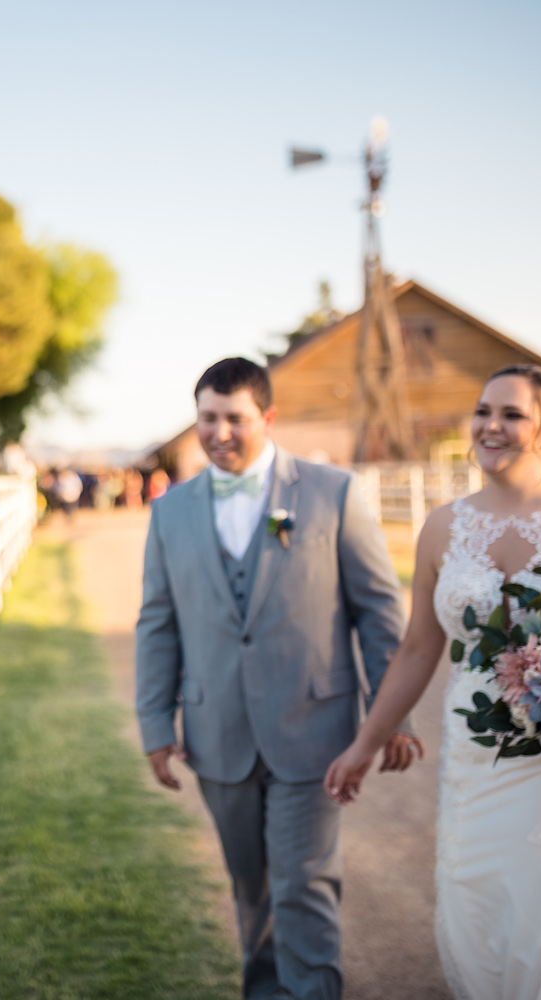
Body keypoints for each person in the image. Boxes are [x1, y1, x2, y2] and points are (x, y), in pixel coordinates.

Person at [325, 365, 541, 998]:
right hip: (473, 758)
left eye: (512, 414)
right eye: (483, 411)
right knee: (477, 909)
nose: (490, 426)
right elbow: (420, 648)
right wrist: (365, 743)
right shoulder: (443, 527)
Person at [137, 357, 420, 1000]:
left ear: (266, 417)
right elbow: (158, 623)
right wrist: (156, 724)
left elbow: (380, 614)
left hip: (314, 733)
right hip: (215, 734)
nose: (219, 433)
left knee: (304, 886)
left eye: (234, 418)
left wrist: (391, 717)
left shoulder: (333, 492)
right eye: (207, 418)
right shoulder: (170, 511)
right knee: (251, 888)